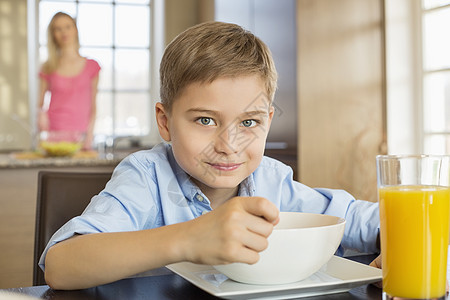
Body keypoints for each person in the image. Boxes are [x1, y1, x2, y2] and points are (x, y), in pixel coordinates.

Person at [40, 21, 380, 290]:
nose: (229, 144)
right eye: (205, 120)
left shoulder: (273, 181)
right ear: (165, 122)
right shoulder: (146, 177)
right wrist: (188, 238)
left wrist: (403, 240)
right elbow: (61, 266)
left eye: (249, 122)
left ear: (268, 121)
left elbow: (359, 218)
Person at [37, 12, 100, 150]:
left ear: (75, 30)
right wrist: (41, 117)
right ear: (53, 34)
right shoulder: (47, 67)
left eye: (67, 27)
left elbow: (93, 106)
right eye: (57, 29)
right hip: (53, 135)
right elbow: (40, 104)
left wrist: (89, 136)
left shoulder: (92, 66)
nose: (63, 32)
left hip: (81, 137)